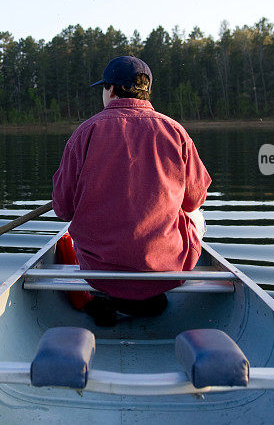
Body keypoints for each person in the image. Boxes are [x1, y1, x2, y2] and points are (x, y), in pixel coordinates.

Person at [52, 56, 211, 326]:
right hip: (166, 271)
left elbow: (62, 209)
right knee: (197, 214)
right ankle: (149, 289)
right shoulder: (175, 131)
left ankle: (109, 295)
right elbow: (194, 199)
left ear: (111, 89)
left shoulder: (84, 133)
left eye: (103, 88)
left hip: (98, 273)